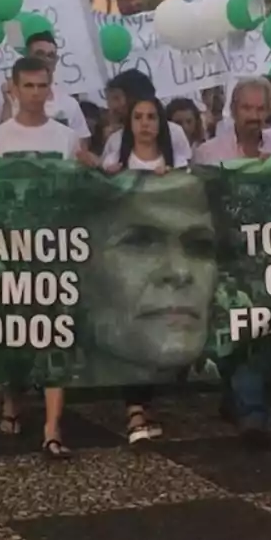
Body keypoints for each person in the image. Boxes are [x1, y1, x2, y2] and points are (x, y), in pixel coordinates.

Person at [0, 56, 96, 459]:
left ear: (51, 87)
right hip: (11, 253)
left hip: (55, 250)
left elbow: (81, 190)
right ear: (13, 88)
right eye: (27, 86)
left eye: (41, 85)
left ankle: (52, 427)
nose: (34, 93)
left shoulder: (65, 138)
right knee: (16, 337)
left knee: (54, 336)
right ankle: (12, 397)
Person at [98, 95, 205, 443]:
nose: (145, 123)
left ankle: (144, 400)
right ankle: (134, 409)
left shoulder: (175, 150)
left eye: (151, 117)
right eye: (139, 117)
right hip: (132, 252)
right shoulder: (116, 150)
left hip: (167, 248)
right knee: (133, 326)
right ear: (130, 123)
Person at [193, 77, 271, 449]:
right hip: (224, 256)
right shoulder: (208, 152)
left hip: (268, 256)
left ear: (269, 110)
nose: (253, 116)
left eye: (260, 109)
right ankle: (247, 406)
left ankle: (244, 404)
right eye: (246, 109)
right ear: (233, 110)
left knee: (255, 333)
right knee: (235, 329)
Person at [0, 31, 91, 148]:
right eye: (39, 54)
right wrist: (8, 104)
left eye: (51, 55)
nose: (45, 60)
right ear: (28, 57)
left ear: (56, 61)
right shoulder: (9, 99)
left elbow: (81, 147)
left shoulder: (70, 104)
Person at [101, 70, 192, 166]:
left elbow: (186, 172)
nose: (112, 105)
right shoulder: (114, 140)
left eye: (116, 98)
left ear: (134, 97)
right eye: (109, 99)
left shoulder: (175, 133)